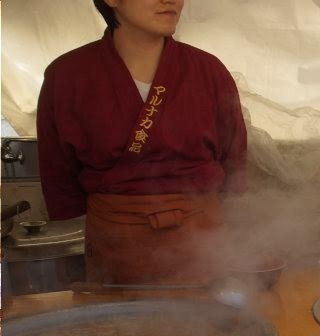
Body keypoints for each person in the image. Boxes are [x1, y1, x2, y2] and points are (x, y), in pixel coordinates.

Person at [37, 0, 247, 285]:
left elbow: (234, 160)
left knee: (206, 327)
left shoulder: (209, 71)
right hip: (117, 248)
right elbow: (58, 174)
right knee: (120, 329)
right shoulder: (67, 75)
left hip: (203, 245)